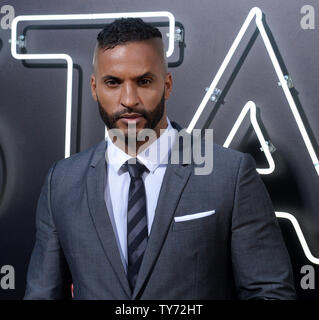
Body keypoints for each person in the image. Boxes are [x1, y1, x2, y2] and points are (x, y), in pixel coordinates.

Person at [24, 18, 296, 300]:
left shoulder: (229, 173)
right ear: (94, 88)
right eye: (113, 83)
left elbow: (269, 292)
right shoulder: (62, 181)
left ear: (166, 85)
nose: (129, 99)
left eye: (143, 81)